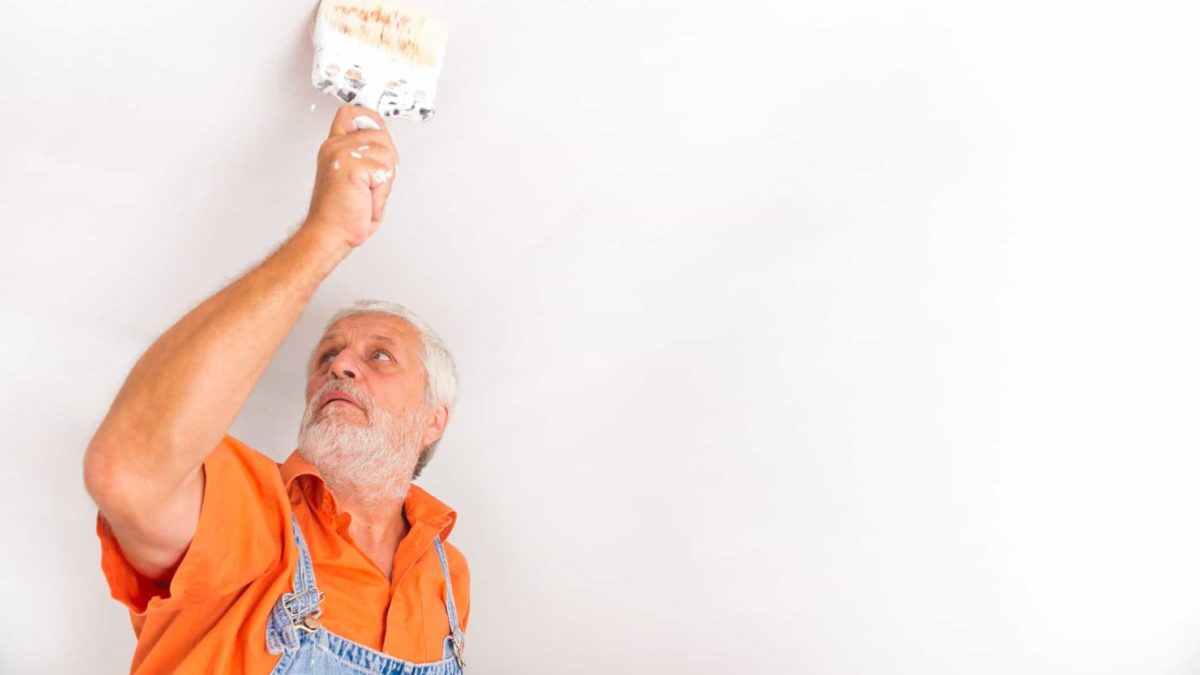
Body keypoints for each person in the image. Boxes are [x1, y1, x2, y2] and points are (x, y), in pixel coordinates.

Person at [83, 104, 469, 674]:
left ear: (434, 420)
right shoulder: (251, 513)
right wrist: (326, 236)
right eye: (327, 357)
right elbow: (128, 471)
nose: (340, 367)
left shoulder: (449, 572)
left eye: (378, 356)